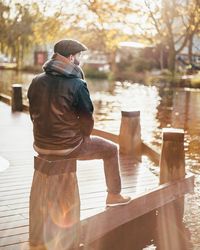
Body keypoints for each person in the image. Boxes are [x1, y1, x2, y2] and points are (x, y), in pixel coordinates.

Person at [27, 39, 131, 207]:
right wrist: (86, 137)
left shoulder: (36, 80)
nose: (80, 60)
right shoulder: (77, 84)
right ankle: (114, 195)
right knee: (111, 149)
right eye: (79, 56)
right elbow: (87, 118)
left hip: (40, 145)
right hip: (67, 147)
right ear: (70, 57)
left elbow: (33, 114)